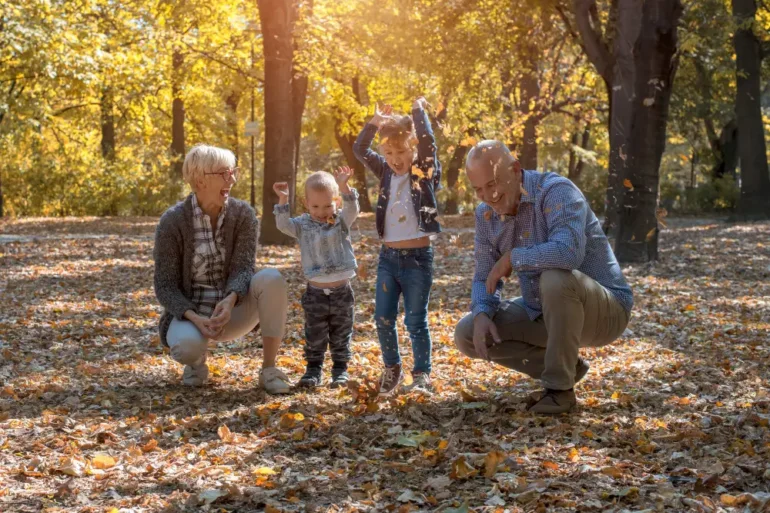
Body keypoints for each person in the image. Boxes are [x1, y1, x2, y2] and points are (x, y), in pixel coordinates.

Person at [454, 140, 634, 413]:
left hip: (604, 310)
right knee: (467, 333)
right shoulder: (485, 214)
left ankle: (559, 391)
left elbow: (568, 253)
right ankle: (567, 366)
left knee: (554, 277)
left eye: (492, 184)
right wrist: (481, 311)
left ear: (515, 169)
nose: (488, 196)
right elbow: (484, 275)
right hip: (542, 310)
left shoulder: (556, 191)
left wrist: (514, 257)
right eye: (478, 189)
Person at [153, 143, 291, 393]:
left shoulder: (243, 215)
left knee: (272, 278)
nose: (232, 179)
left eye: (233, 172)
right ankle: (196, 363)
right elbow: (165, 286)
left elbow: (243, 268)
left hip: (233, 310)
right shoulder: (172, 222)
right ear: (200, 179)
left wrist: (230, 300)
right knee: (186, 348)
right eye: (223, 173)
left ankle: (269, 368)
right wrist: (193, 316)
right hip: (192, 315)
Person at [353, 97, 441, 395]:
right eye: (389, 152)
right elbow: (359, 149)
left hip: (418, 259)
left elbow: (429, 142)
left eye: (401, 151)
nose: (395, 158)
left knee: (416, 320)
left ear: (413, 148)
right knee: (383, 317)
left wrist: (417, 111)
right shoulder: (386, 173)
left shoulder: (424, 173)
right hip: (388, 258)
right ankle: (392, 368)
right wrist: (374, 122)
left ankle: (422, 375)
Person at [273, 167, 360, 389]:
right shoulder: (302, 225)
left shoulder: (341, 221)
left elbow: (353, 208)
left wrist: (344, 186)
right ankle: (313, 370)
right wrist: (283, 200)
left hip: (341, 291)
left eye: (328, 205)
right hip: (316, 292)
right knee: (315, 333)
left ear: (337, 202)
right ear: (306, 203)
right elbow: (283, 225)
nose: (322, 212)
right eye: (315, 206)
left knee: (341, 332)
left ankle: (340, 370)